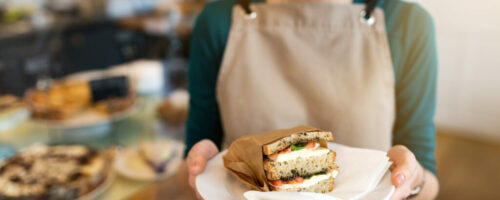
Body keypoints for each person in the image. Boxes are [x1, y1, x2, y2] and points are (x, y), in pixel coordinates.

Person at [183, 0, 439, 199]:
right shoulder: (217, 21)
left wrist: (413, 180)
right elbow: (198, 151)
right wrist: (200, 165)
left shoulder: (408, 24)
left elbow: (428, 181)